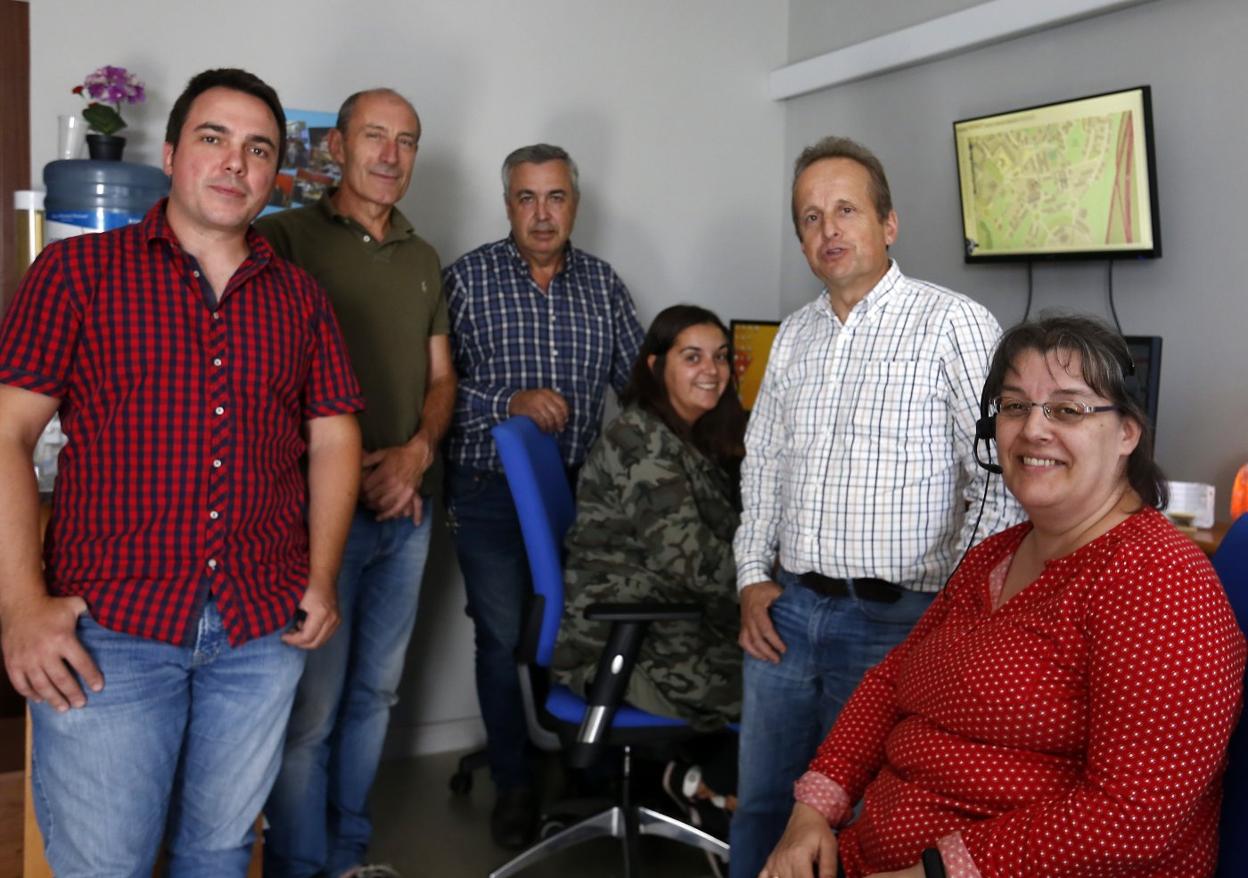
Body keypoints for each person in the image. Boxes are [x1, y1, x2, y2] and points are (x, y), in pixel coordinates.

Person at [0, 68, 363, 876]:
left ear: (276, 176)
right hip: (108, 630)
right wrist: (22, 602)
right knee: (107, 864)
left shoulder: (301, 300)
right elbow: (6, 437)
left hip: (259, 629)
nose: (236, 163)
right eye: (214, 139)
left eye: (258, 149)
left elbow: (336, 437)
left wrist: (324, 573)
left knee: (221, 852)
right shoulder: (76, 276)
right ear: (170, 155)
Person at [761, 314, 1246, 878]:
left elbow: (1133, 815)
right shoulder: (998, 552)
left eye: (1068, 409)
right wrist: (812, 812)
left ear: (1127, 434)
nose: (1034, 429)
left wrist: (939, 872)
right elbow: (893, 681)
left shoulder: (1158, 581)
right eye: (1015, 406)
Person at [731, 136, 1022, 877]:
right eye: (810, 217)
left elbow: (997, 478)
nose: (828, 229)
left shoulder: (953, 325)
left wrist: (955, 609)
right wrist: (749, 576)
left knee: (862, 826)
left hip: (901, 622)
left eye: (846, 210)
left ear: (888, 224)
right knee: (765, 806)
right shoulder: (793, 337)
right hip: (790, 613)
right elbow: (762, 463)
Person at [257, 88, 455, 878]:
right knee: (309, 713)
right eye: (374, 136)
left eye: (406, 141)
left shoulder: (422, 255)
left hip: (407, 511)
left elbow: (443, 379)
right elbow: (264, 378)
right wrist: (346, 475)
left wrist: (414, 457)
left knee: (374, 698)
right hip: (318, 516)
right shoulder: (282, 238)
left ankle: (348, 857)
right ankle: (300, 866)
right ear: (336, 146)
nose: (389, 155)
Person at [444, 143, 645, 848]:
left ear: (574, 204)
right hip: (490, 491)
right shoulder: (466, 280)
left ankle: (585, 766)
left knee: (581, 633)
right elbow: (434, 395)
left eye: (554, 197)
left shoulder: (602, 284)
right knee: (504, 640)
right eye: (526, 198)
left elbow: (640, 388)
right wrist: (511, 400)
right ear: (507, 206)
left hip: (583, 497)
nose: (541, 213)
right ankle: (515, 783)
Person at [553, 304, 746, 730]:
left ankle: (700, 783)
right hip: (633, 638)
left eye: (720, 356)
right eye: (692, 356)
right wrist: (769, 584)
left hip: (676, 618)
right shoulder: (638, 439)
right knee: (789, 686)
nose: (711, 369)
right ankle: (707, 785)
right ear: (657, 366)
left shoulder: (690, 435)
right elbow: (690, 559)